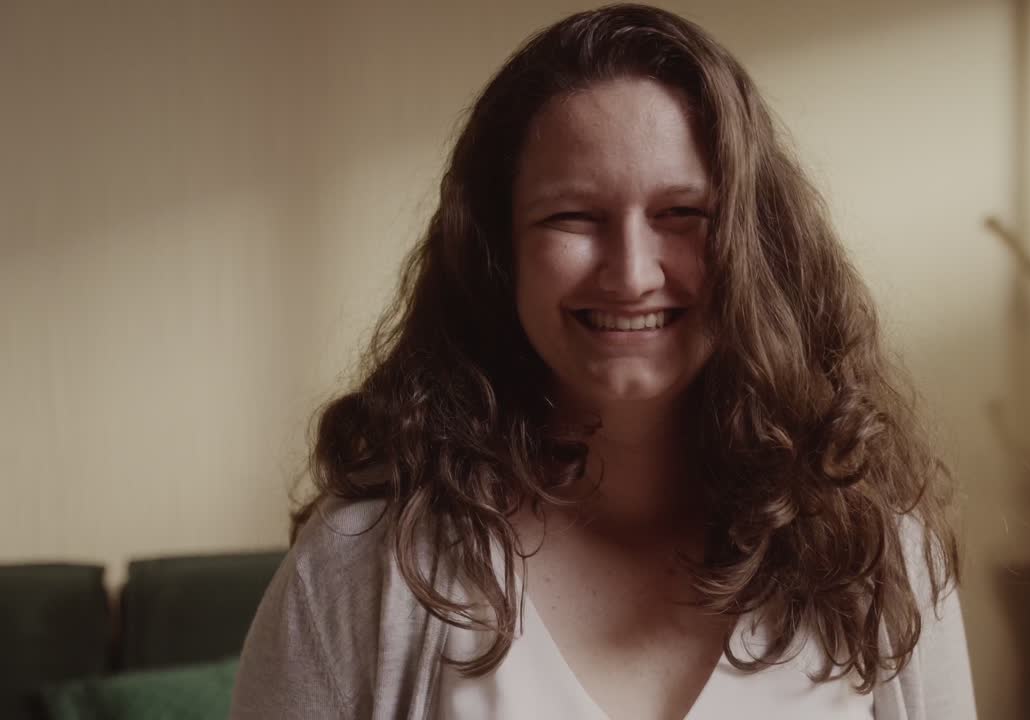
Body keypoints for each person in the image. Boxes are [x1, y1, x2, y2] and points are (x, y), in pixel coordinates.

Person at [230, 4, 976, 719]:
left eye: (682, 215)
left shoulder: (874, 550)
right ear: (497, 255)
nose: (631, 273)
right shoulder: (364, 566)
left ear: (756, 243)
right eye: (573, 217)